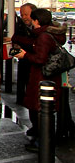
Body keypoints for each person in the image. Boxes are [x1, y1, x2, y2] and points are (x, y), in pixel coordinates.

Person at [16, 8, 67, 151]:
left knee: (41, 109)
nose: (31, 22)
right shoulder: (51, 34)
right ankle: (42, 139)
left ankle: (43, 143)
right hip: (48, 77)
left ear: (37, 21)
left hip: (42, 77)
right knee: (43, 110)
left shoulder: (43, 36)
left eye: (32, 19)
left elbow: (40, 59)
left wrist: (24, 56)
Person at [10, 3, 37, 104]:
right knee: (22, 81)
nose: (24, 17)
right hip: (24, 60)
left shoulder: (40, 27)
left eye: (26, 14)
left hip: (35, 61)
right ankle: (21, 101)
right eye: (22, 15)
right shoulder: (20, 26)